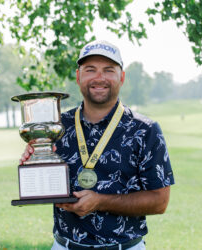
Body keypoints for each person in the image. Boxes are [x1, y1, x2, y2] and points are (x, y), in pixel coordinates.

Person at [20, 40, 175, 250]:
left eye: (108, 70)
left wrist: (100, 201)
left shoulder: (146, 130)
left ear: (122, 77)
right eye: (90, 70)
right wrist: (35, 160)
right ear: (78, 76)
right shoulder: (57, 127)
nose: (99, 78)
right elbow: (46, 184)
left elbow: (159, 202)